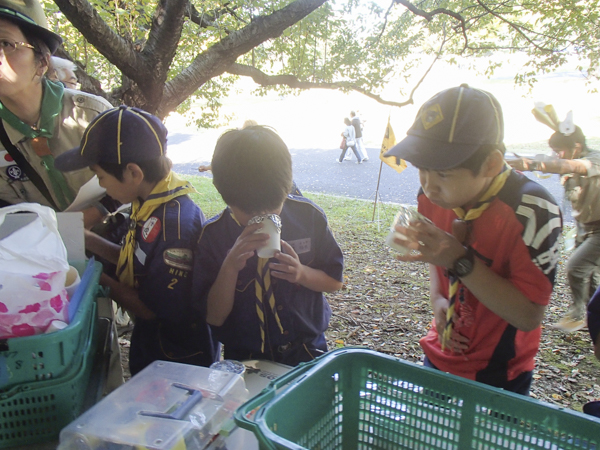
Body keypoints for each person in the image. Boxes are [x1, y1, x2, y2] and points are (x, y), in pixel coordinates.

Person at [384, 84, 562, 395]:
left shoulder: (531, 212)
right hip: (440, 353)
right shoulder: (432, 200)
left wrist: (459, 260)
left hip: (499, 373)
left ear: (491, 164)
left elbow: (528, 315)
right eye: (421, 170)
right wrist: (438, 299)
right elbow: (436, 265)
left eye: (443, 174)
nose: (428, 187)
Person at [55, 105, 218, 375]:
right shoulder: (147, 202)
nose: (102, 185)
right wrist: (86, 240)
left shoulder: (174, 228)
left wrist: (92, 275)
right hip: (151, 346)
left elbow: (151, 309)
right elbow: (137, 260)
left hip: (179, 361)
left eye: (101, 177)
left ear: (133, 173)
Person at [193, 125, 344, 366]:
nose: (262, 217)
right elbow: (214, 316)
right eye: (249, 214)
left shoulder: (308, 217)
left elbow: (335, 281)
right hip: (246, 358)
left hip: (306, 351)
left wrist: (301, 274)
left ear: (286, 189)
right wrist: (230, 267)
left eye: (273, 208)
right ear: (225, 196)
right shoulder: (214, 236)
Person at [0, 0, 115, 229]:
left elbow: (145, 181)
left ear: (42, 62)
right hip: (38, 256)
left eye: (6, 43)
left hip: (116, 247)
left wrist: (98, 213)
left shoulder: (93, 115)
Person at [509, 125, 600, 332]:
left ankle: (577, 316)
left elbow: (574, 166)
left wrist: (530, 164)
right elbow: (557, 165)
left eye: (560, 151)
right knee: (591, 277)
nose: (556, 155)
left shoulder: (595, 159)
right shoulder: (568, 157)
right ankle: (593, 321)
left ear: (576, 147)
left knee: (575, 269)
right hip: (584, 226)